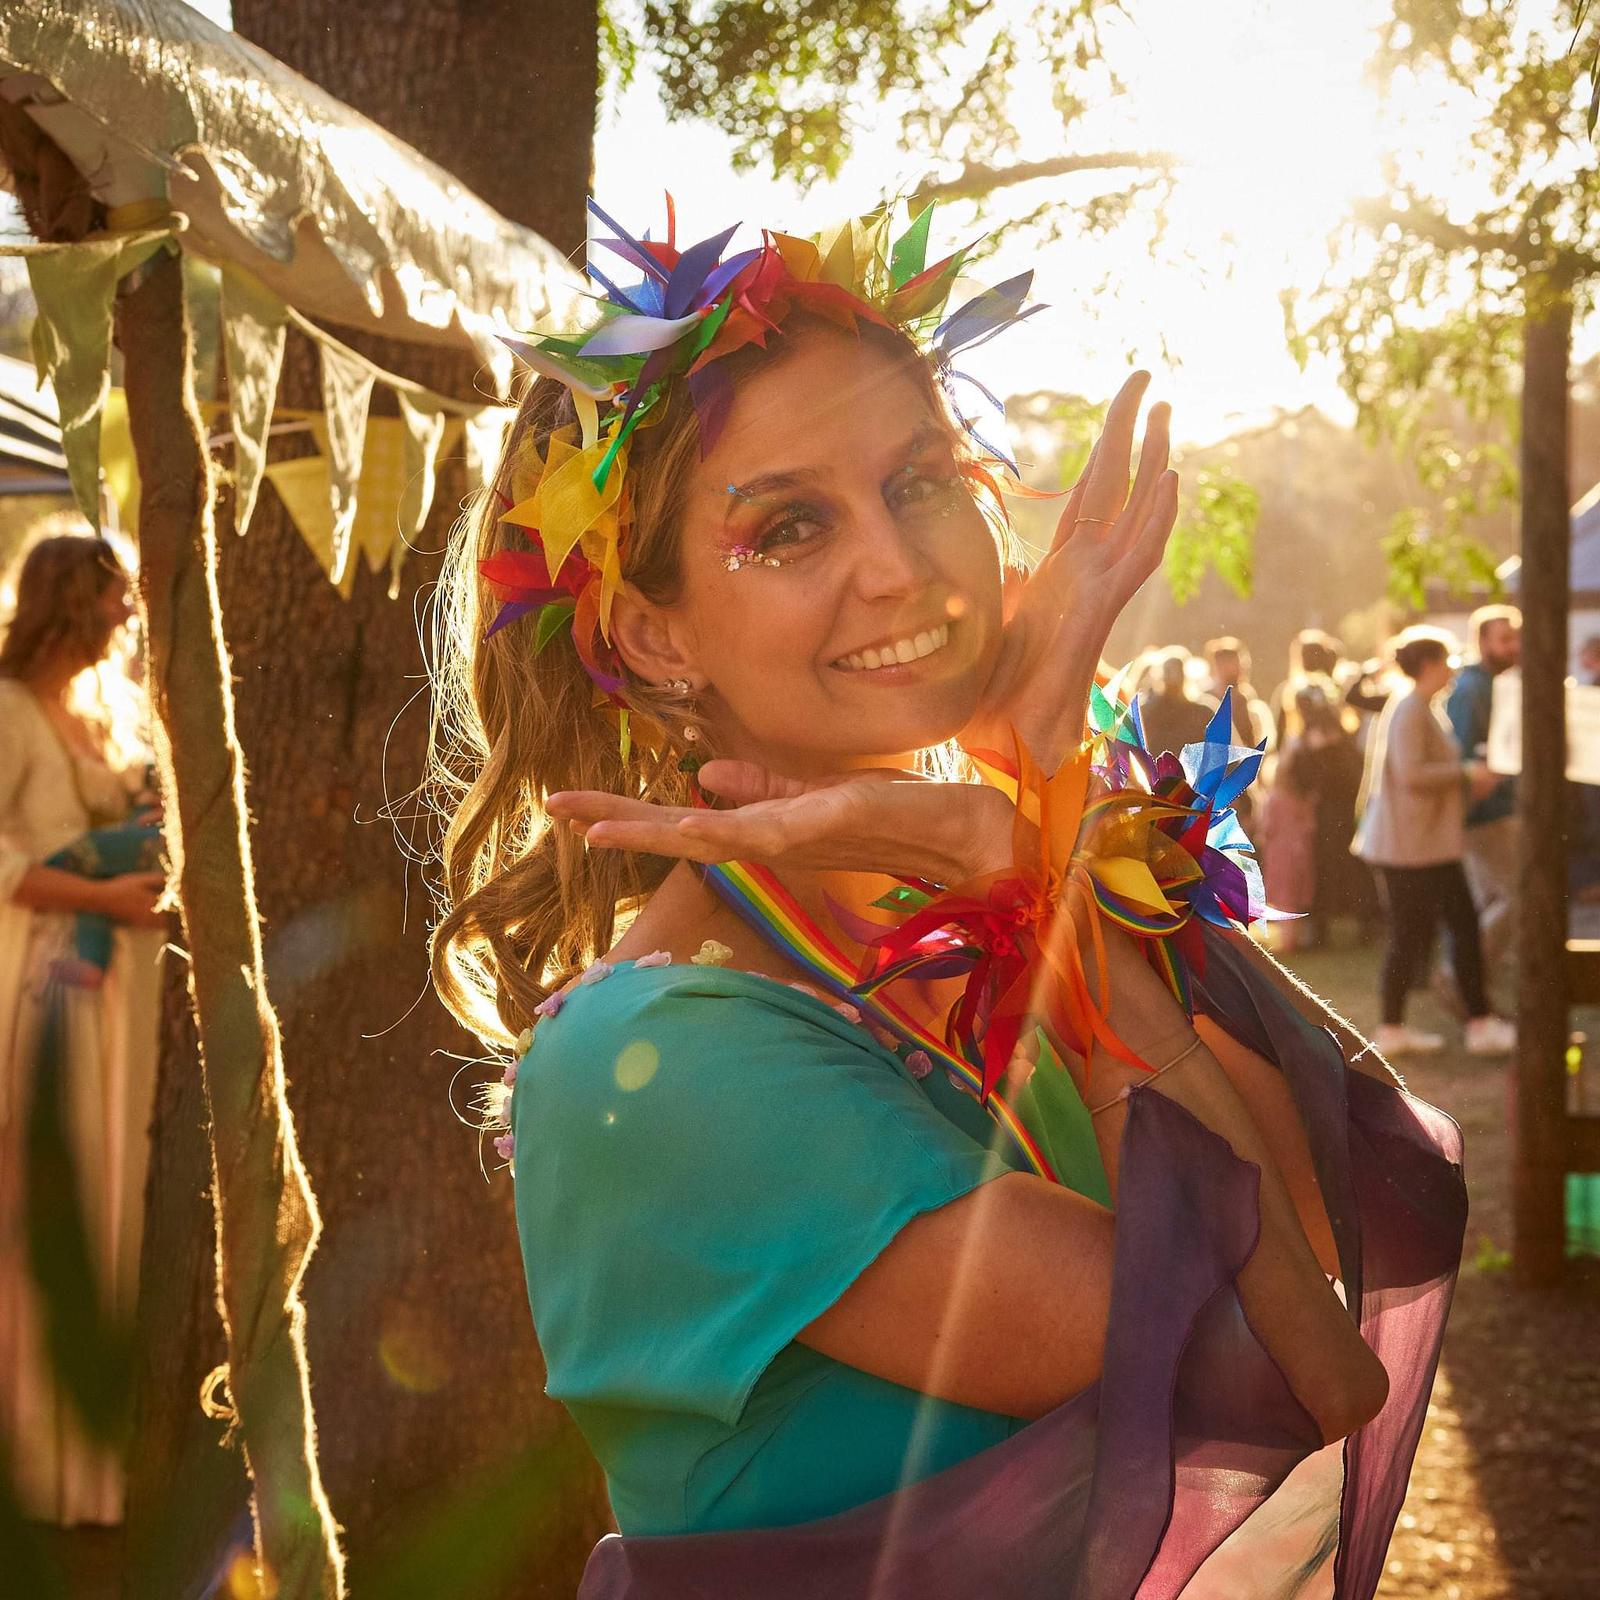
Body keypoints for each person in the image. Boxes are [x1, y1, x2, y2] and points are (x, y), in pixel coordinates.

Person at [427, 204, 1463, 1595]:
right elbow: (1293, 1362)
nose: (901, 566)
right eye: (790, 526)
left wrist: (1041, 803)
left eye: (918, 483)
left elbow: (1343, 1217)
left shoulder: (993, 925)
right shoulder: (653, 1062)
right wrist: (1031, 874)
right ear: (651, 631)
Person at [0, 533, 166, 1525]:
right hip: (51, 970)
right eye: (111, 601)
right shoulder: (8, 709)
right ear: (70, 602)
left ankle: (101, 1469)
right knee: (52, 1209)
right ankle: (34, 1473)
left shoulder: (110, 712)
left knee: (119, 1203)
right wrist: (106, 895)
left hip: (125, 986)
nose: (124, 619)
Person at [1352, 625, 1514, 1058]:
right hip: (1411, 848)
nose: (1452, 668)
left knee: (1432, 931)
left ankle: (1421, 1025)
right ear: (1428, 665)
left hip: (1422, 844)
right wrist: (1464, 774)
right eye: (1446, 660)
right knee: (1424, 932)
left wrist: (1466, 776)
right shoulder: (1409, 709)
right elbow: (1411, 775)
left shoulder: (1421, 706)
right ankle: (1466, 1023)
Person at [1444, 605, 1520, 982]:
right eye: (1505, 639)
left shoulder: (1498, 683)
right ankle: (1460, 975)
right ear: (1484, 641)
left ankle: (1467, 977)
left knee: (1491, 900)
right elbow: (1463, 753)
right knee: (1514, 897)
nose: (1514, 646)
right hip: (1484, 812)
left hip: (1499, 808)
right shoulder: (1472, 688)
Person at [1134, 645, 1218, 757]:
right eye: (1169, 672)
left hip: (1188, 774)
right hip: (1155, 773)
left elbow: (1220, 753)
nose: (1173, 677)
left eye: (1177, 671)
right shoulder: (1144, 713)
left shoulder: (1203, 713)